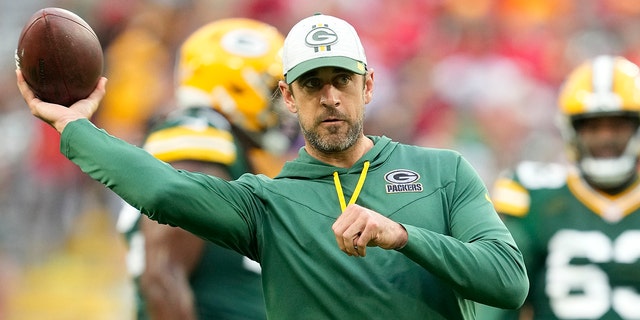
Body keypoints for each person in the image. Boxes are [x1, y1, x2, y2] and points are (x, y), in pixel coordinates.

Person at [17, 13, 528, 319]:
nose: (329, 97)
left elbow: (508, 282)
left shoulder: (444, 170)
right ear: (287, 95)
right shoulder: (266, 201)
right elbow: (163, 191)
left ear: (367, 85)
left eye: (342, 80)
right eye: (311, 83)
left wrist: (401, 235)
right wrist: (74, 127)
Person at [115, 18, 291, 319]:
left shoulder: (222, 146)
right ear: (237, 86)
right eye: (274, 91)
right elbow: (162, 276)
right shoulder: (199, 136)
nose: (285, 104)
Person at [477, 55, 640, 319]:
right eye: (593, 127)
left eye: (617, 125)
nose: (605, 137)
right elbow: (500, 296)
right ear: (571, 130)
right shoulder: (535, 195)